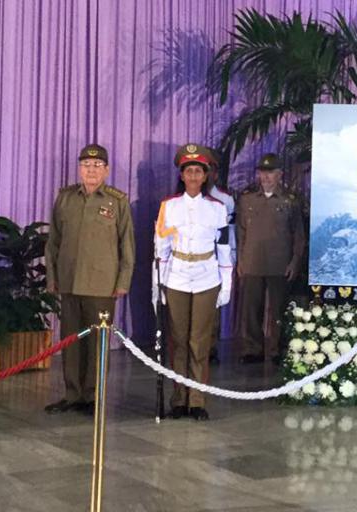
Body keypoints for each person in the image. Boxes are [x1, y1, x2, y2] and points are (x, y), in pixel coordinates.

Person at [44, 143, 135, 415]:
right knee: (71, 341)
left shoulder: (117, 201)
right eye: (86, 165)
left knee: (98, 343)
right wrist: (52, 277)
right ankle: (72, 394)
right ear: (79, 169)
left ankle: (94, 396)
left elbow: (127, 245)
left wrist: (123, 281)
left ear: (106, 170)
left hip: (102, 284)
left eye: (97, 165)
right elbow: (53, 242)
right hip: (69, 281)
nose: (91, 170)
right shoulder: (65, 198)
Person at [153, 143, 233, 421]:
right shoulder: (168, 206)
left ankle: (197, 400)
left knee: (199, 342)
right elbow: (161, 248)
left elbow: (224, 249)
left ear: (206, 175)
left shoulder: (217, 208)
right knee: (178, 341)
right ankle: (179, 399)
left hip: (206, 277)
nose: (194, 176)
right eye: (189, 171)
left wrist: (226, 284)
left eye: (198, 171)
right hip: (176, 276)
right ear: (182, 175)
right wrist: (157, 286)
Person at [236, 153, 305, 364]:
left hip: (280, 264)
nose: (266, 177)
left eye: (271, 173)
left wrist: (295, 261)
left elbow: (299, 235)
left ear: (279, 174)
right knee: (251, 310)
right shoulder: (247, 199)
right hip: (252, 262)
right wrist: (240, 260)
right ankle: (252, 349)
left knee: (278, 311)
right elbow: (240, 233)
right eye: (262, 172)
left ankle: (277, 350)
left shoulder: (290, 200)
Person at [206, 147, 236, 364]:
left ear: (215, 174)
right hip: (187, 263)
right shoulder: (178, 200)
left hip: (215, 262)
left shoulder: (225, 200)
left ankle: (210, 348)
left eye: (209, 170)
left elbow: (230, 233)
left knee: (212, 308)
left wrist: (231, 258)